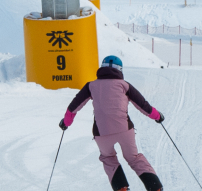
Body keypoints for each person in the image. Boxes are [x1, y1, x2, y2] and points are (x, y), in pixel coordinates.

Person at [61, 55, 165, 191]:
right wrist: (158, 116)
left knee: (108, 158)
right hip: (124, 130)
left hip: (102, 133)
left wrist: (66, 123)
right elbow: (143, 105)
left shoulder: (91, 85)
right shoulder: (125, 85)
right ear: (120, 70)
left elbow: (73, 107)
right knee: (134, 158)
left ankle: (121, 188)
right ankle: (155, 187)